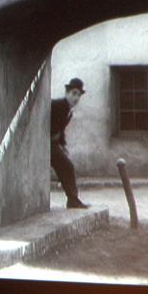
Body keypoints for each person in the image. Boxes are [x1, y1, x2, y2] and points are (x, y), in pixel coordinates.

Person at [50, 77, 89, 209]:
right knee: (67, 167)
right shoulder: (58, 105)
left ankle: (72, 200)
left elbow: (61, 130)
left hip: (53, 145)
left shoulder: (67, 109)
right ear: (67, 93)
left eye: (78, 95)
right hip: (45, 144)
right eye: (73, 93)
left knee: (66, 167)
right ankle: (73, 200)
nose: (76, 98)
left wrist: (63, 145)